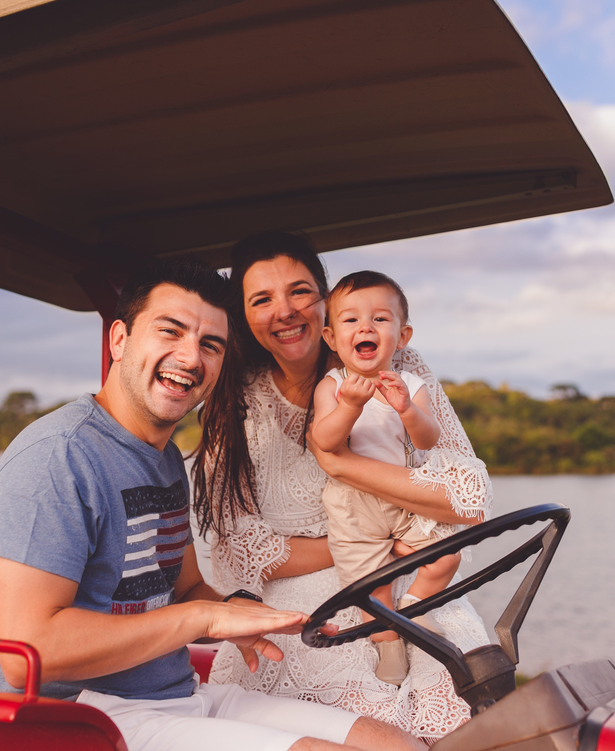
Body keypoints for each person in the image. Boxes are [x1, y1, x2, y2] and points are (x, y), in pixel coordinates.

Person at [0, 258, 422, 751]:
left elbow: (185, 589)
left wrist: (243, 614)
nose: (190, 358)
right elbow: (25, 653)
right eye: (171, 332)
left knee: (395, 745)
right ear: (118, 340)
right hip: (72, 718)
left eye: (210, 344)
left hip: (172, 696)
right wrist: (204, 621)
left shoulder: (162, 457)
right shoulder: (58, 458)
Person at [191, 232, 493, 744]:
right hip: (307, 614)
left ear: (326, 304)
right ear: (243, 317)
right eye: (261, 300)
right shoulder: (234, 402)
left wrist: (344, 464)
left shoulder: (398, 367)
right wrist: (366, 549)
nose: (284, 311)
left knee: (465, 691)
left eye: (300, 292)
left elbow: (468, 498)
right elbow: (240, 554)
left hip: (412, 585)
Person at [311, 271, 461, 686]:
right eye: (351, 320)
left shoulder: (410, 384)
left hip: (403, 493)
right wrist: (350, 407)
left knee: (448, 555)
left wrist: (407, 409)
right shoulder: (334, 385)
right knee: (371, 583)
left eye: (380, 319)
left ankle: (415, 606)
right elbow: (324, 440)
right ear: (330, 337)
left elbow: (429, 436)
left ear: (402, 335)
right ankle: (387, 640)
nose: (365, 327)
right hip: (352, 502)